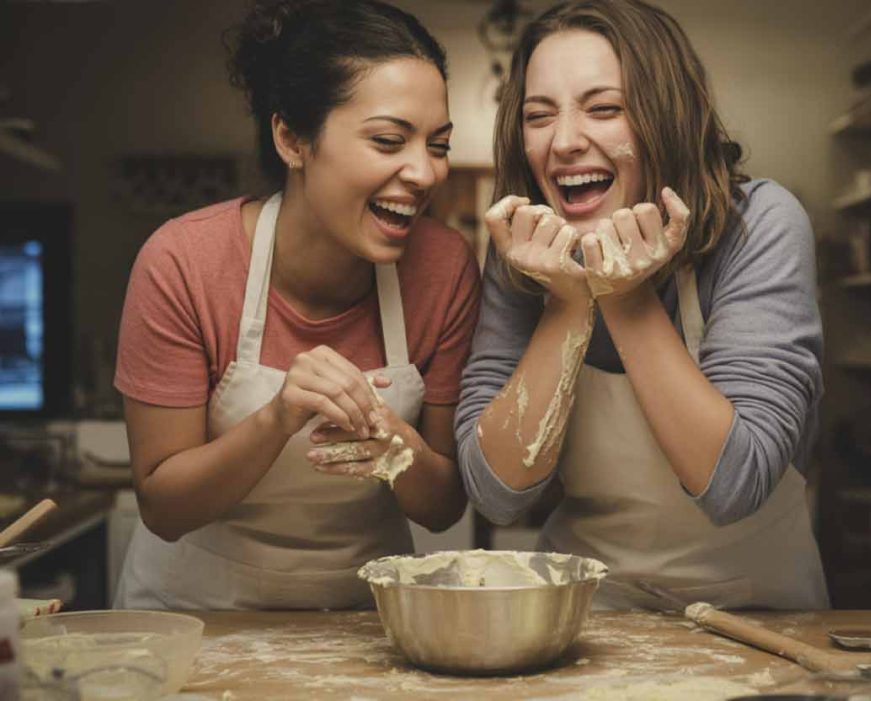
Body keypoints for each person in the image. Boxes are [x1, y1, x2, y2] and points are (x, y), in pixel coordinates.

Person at [456, 0, 829, 610]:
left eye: (604, 109)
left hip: (759, 614)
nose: (565, 142)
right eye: (538, 116)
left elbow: (735, 483)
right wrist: (566, 305)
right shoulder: (523, 254)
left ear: (669, 116)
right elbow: (496, 494)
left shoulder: (757, 224)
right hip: (584, 612)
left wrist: (623, 296)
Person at [114, 0, 479, 610]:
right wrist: (277, 417)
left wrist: (392, 440)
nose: (424, 172)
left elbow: (442, 509)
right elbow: (162, 507)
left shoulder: (442, 270)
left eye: (437, 145)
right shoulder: (185, 263)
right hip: (197, 618)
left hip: (365, 623)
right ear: (292, 138)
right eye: (389, 140)